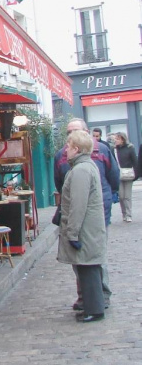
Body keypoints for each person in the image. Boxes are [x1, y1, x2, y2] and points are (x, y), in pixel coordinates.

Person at [54, 117, 119, 309]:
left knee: (92, 257)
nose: (69, 140)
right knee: (82, 260)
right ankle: (88, 298)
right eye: (68, 133)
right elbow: (60, 183)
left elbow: (113, 178)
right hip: (85, 212)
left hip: (92, 214)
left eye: (75, 132)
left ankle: (99, 297)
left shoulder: (98, 154)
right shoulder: (62, 156)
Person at [57, 130, 106, 323]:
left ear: (76, 149)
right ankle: (91, 305)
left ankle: (94, 309)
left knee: (88, 268)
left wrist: (73, 233)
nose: (66, 150)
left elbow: (78, 205)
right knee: (87, 267)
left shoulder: (81, 170)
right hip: (89, 229)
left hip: (86, 230)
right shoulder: (84, 167)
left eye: (68, 146)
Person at [113, 132, 138, 222]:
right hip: (118, 175)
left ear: (122, 139)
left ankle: (128, 214)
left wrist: (136, 174)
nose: (115, 140)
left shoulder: (130, 148)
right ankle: (124, 213)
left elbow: (135, 161)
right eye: (115, 138)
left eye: (117, 139)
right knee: (121, 196)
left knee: (127, 196)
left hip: (128, 175)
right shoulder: (114, 150)